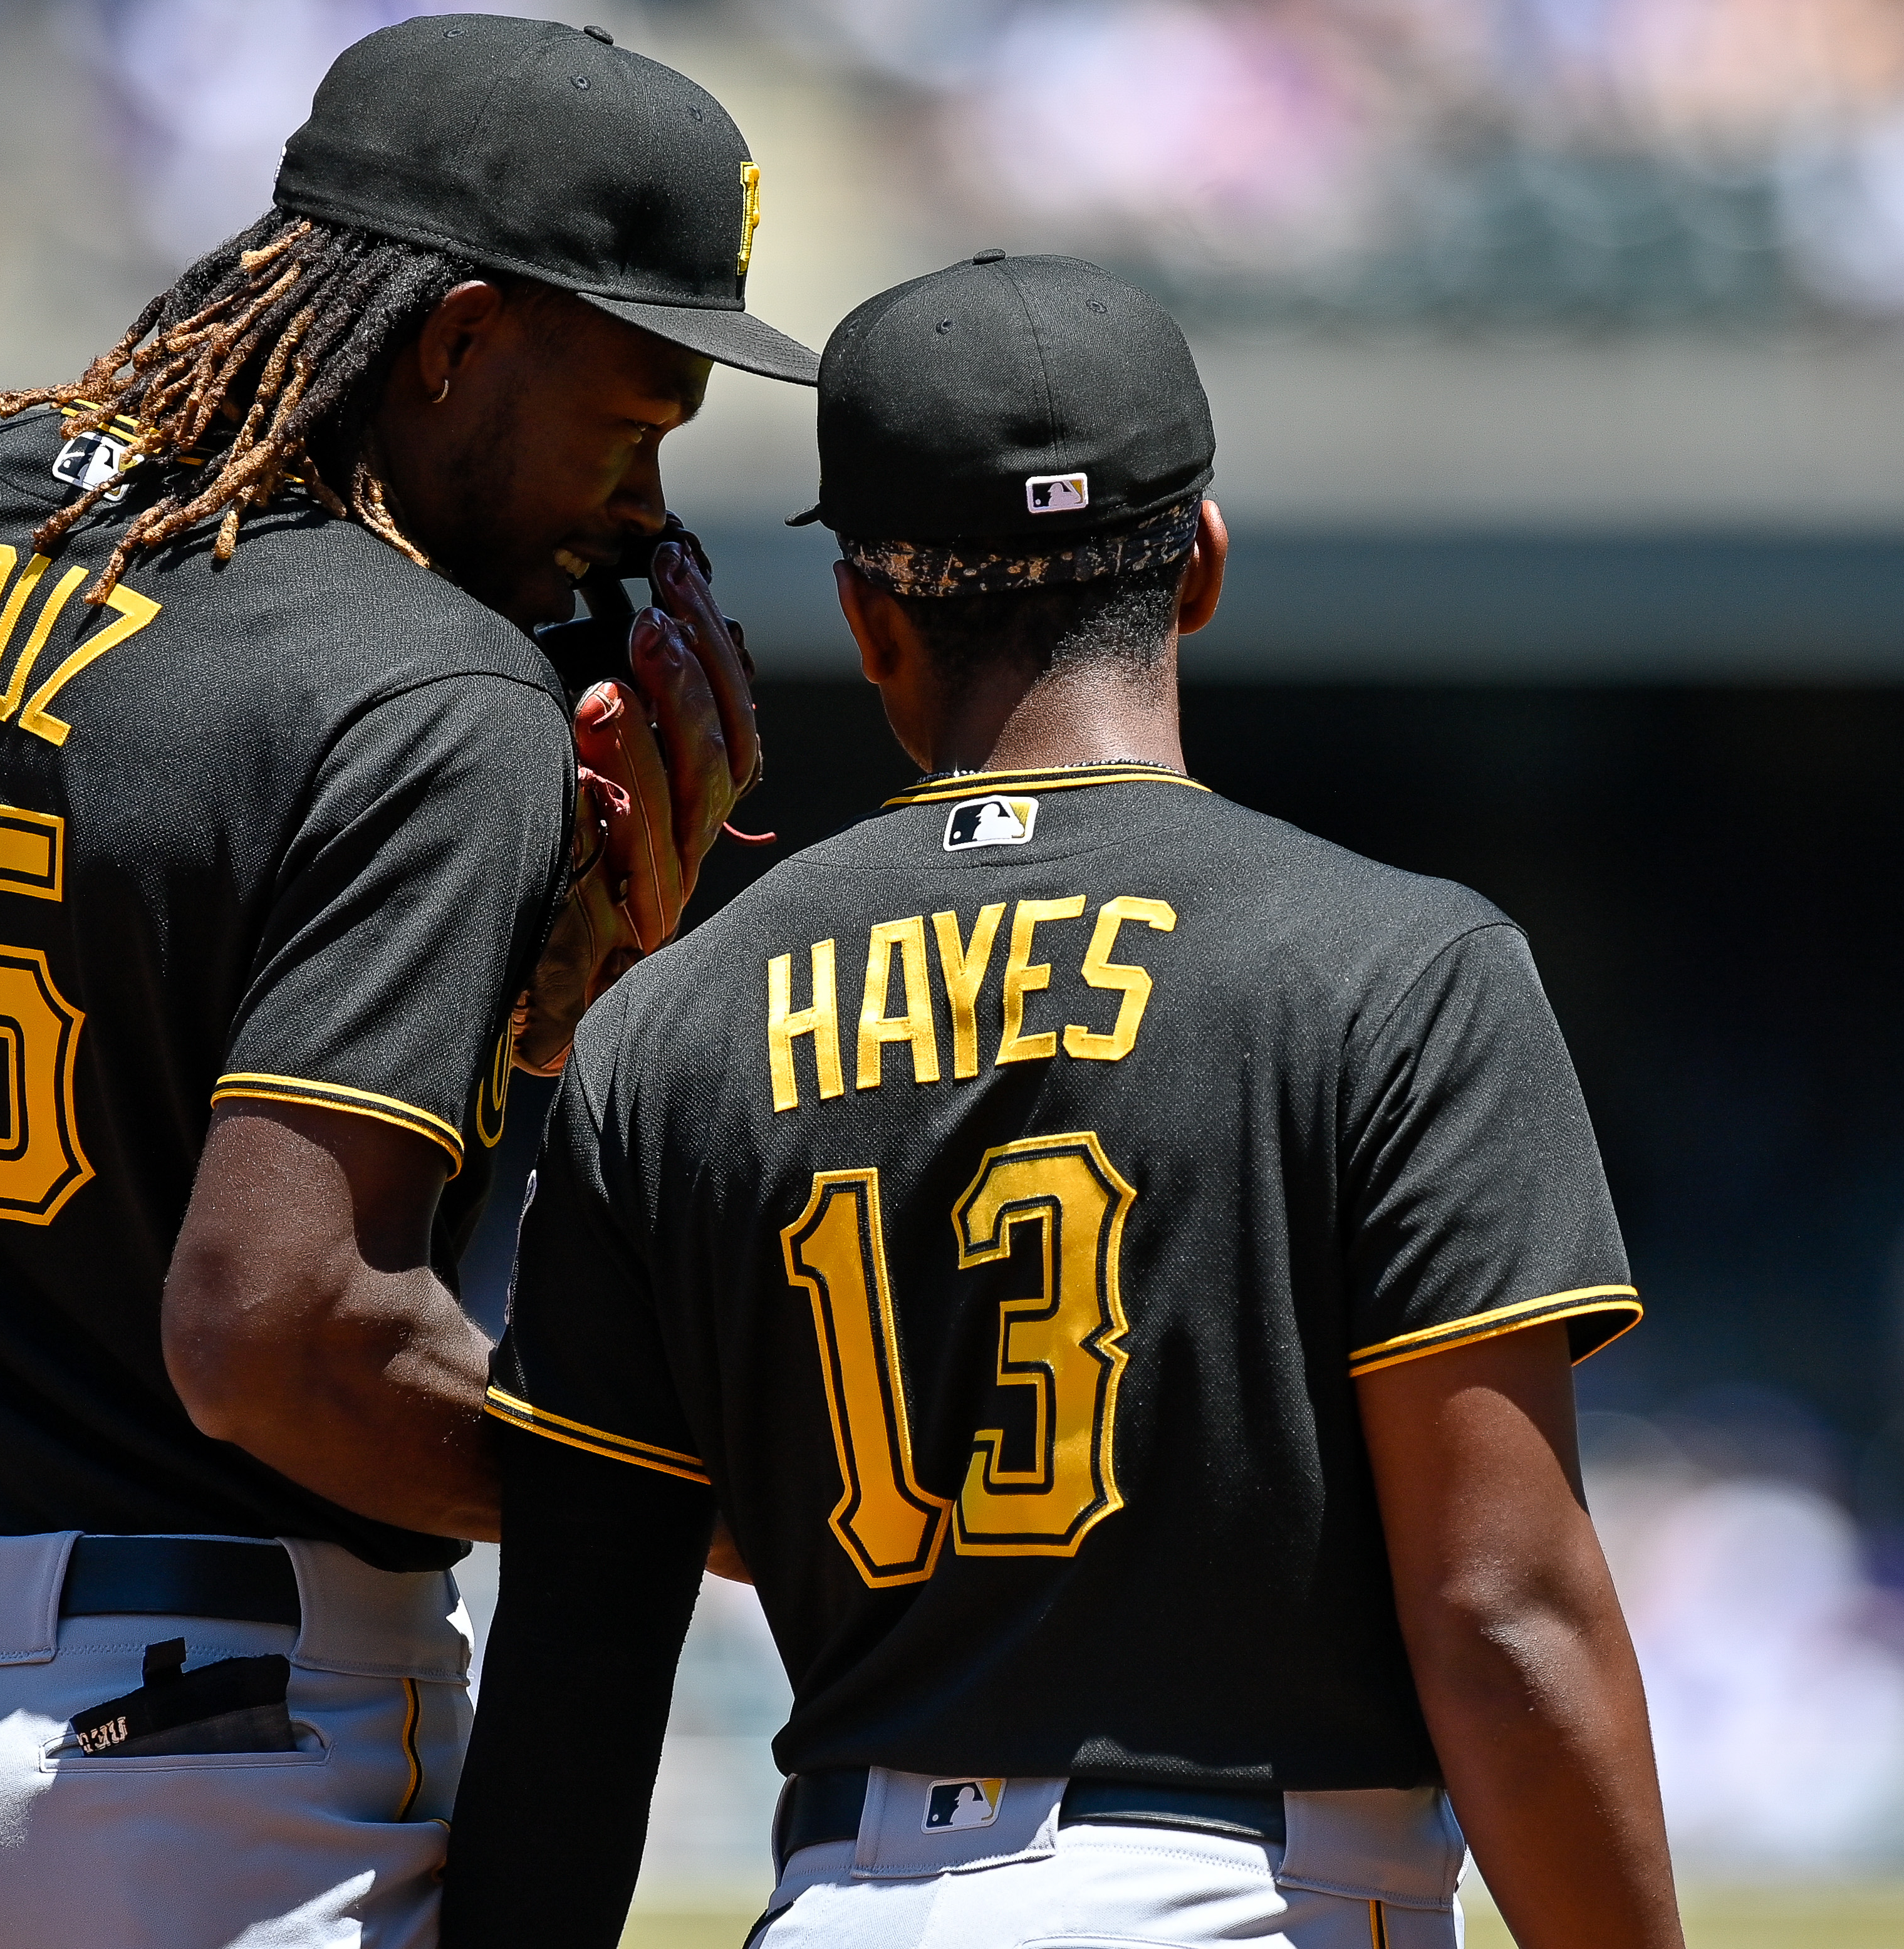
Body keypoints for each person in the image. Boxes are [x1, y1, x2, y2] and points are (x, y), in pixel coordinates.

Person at [0, 14, 813, 1949]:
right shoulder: (430, 688)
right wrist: (713, 1509)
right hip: (198, 1755)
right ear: (454, 341)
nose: (643, 511)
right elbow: (274, 1336)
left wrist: (513, 1015)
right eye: (630, 429)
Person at [441, 252, 1685, 1949]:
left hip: (846, 1900)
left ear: (870, 620)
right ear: (1202, 571)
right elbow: (1500, 1617)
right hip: (1256, 1896)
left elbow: (579, 1664)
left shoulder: (661, 1031)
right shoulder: (1400, 961)